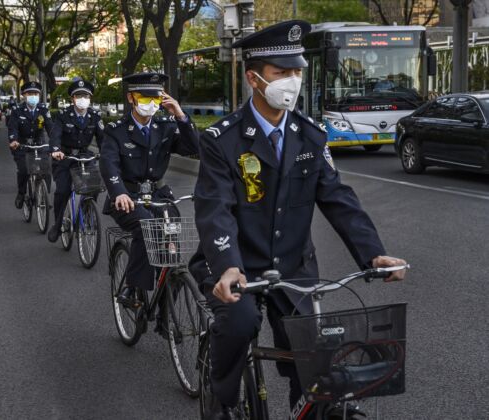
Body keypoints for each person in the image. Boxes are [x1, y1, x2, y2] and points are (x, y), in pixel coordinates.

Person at [187, 21, 408, 420]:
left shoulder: (310, 135)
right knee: (239, 323)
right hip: (236, 267)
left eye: (297, 71)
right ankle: (220, 401)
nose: (292, 80)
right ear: (254, 78)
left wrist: (373, 255)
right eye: (281, 72)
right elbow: (214, 208)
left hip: (294, 267)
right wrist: (227, 267)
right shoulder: (222, 139)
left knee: (312, 361)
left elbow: (338, 198)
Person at [99, 72, 199, 329]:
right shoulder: (116, 131)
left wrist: (180, 115)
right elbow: (108, 164)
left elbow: (193, 148)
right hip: (127, 197)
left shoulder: (165, 125)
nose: (151, 103)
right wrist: (118, 191)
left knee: (171, 250)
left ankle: (166, 311)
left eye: (156, 97)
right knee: (146, 228)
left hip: (158, 196)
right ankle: (132, 289)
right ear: (131, 97)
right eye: (145, 97)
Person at [47, 79, 105, 242]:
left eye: (85, 96)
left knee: (94, 186)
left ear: (90, 98)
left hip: (85, 156)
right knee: (63, 191)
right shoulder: (63, 115)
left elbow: (103, 139)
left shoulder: (95, 116)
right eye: (79, 96)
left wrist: (107, 153)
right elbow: (55, 135)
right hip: (65, 157)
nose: (82, 99)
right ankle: (58, 225)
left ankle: (87, 213)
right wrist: (55, 150)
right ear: (72, 99)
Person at [8, 81, 53, 209]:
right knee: (24, 170)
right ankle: (21, 193)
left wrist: (55, 143)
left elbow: (50, 128)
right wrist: (14, 141)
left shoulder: (43, 109)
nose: (33, 96)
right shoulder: (17, 111)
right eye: (30, 93)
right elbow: (13, 128)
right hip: (22, 145)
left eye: (35, 93)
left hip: (39, 144)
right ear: (24, 95)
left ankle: (43, 195)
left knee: (46, 170)